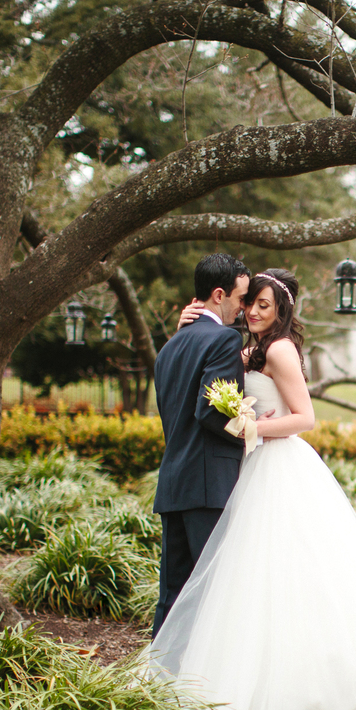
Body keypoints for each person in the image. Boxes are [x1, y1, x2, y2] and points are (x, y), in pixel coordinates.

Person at [147, 269, 356, 710]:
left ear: (282, 312)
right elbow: (206, 367)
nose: (252, 311)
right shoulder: (244, 346)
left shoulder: (279, 349)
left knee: (286, 578)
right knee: (244, 582)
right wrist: (191, 322)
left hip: (278, 467)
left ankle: (291, 690)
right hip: (246, 471)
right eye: (250, 302)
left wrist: (252, 426)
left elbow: (305, 417)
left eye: (264, 306)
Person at [150, 253, 250, 637]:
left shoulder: (169, 348)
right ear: (219, 294)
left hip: (174, 481)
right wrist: (250, 428)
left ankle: (158, 682)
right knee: (212, 590)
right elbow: (211, 412)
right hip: (209, 485)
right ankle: (203, 685)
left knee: (172, 593)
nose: (243, 311)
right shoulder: (225, 340)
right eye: (241, 300)